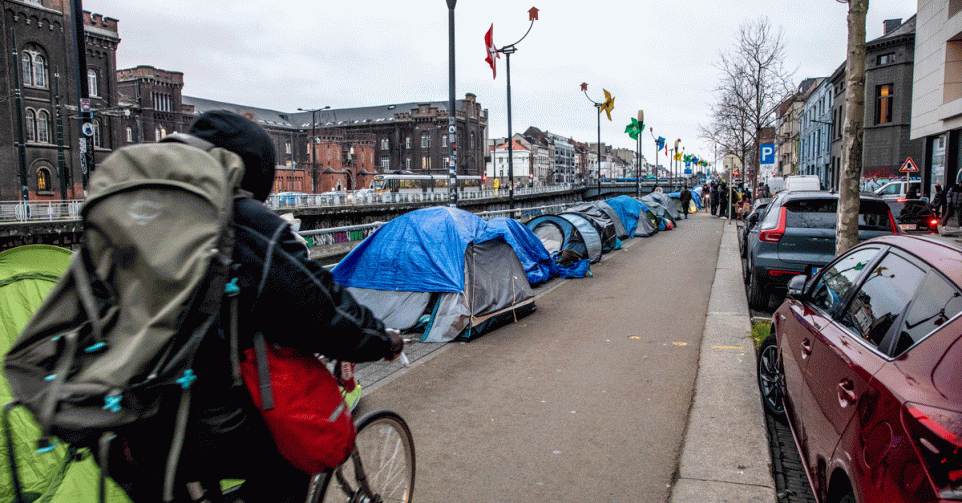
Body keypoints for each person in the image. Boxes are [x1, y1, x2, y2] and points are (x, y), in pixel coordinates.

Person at [94, 110, 404, 503]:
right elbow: (325, 311)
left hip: (121, 422)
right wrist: (381, 341)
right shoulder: (247, 224)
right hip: (202, 422)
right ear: (255, 173)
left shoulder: (138, 215)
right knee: (296, 454)